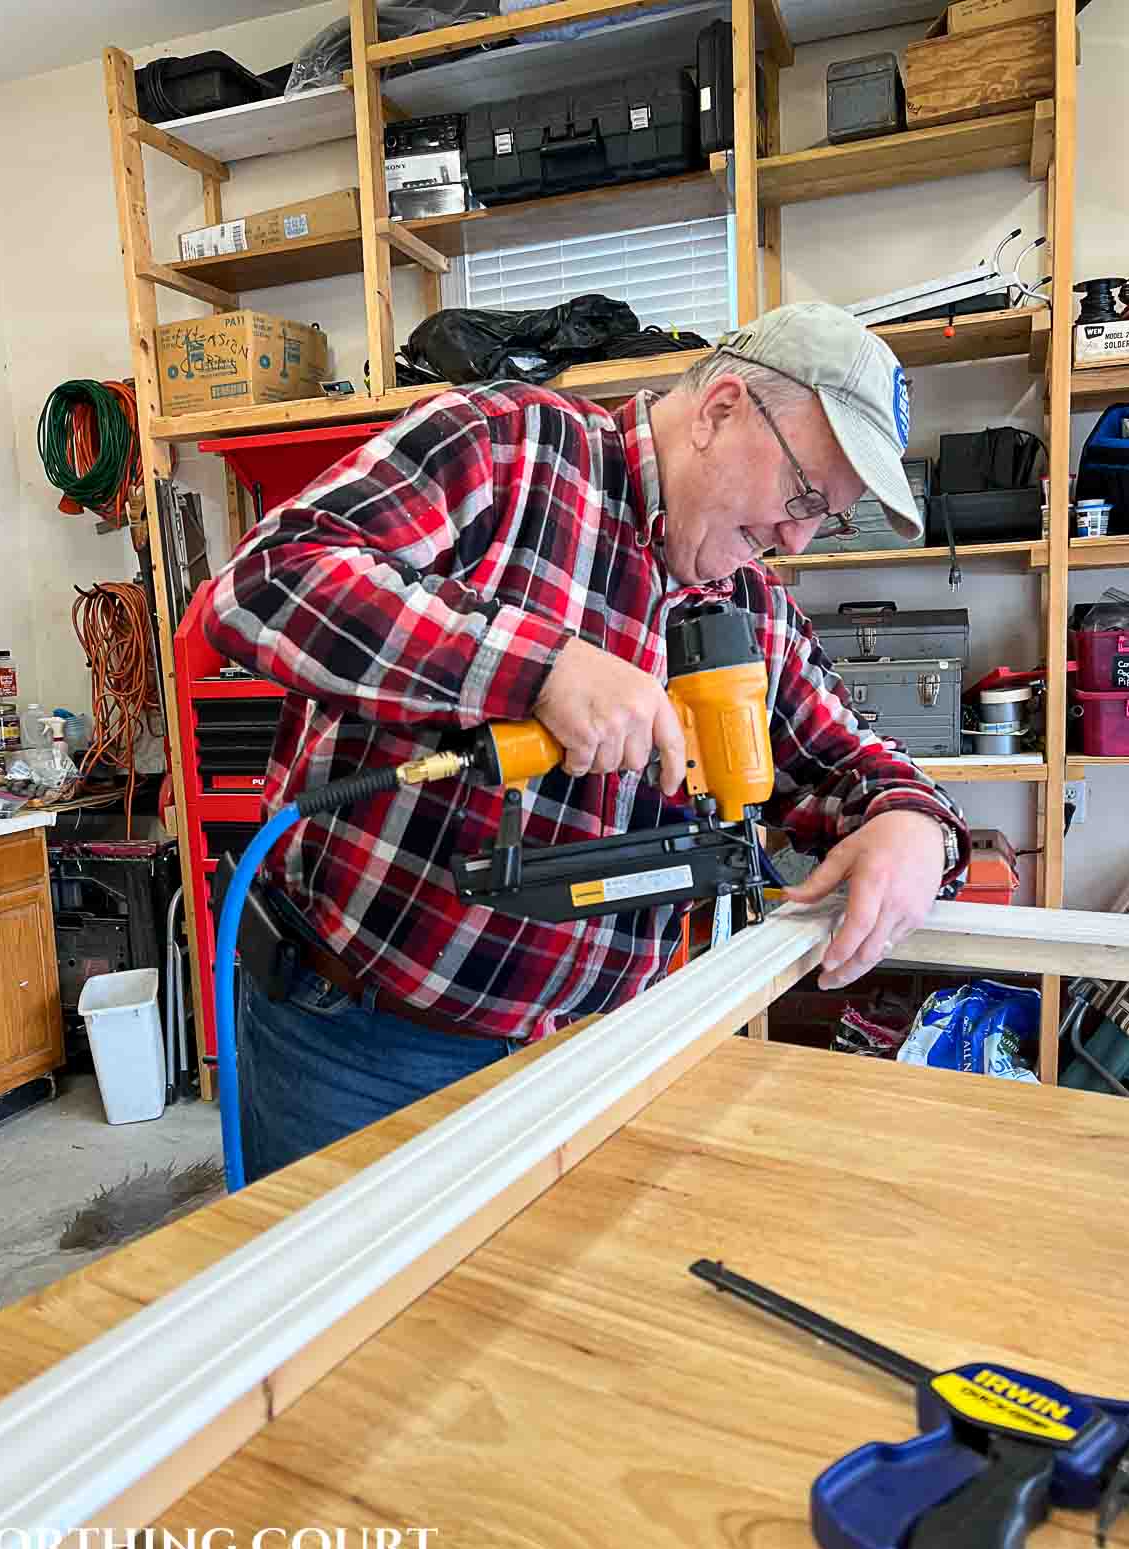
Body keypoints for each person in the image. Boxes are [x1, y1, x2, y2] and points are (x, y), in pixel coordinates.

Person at [202, 300, 968, 1182]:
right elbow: (263, 586)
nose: (795, 540)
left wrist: (916, 828)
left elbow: (853, 759)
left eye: (826, 517)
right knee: (326, 1307)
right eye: (801, 496)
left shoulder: (747, 602)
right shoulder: (506, 447)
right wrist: (537, 668)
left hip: (588, 1059)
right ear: (720, 410)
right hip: (359, 1039)